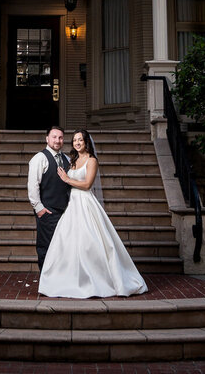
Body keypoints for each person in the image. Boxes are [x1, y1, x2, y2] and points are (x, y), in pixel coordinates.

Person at [38, 129, 147, 298]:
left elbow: (87, 184)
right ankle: (69, 280)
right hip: (72, 204)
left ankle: (97, 280)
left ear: (86, 141)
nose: (77, 143)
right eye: (74, 140)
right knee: (67, 243)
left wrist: (67, 179)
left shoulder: (91, 160)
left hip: (85, 203)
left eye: (80, 140)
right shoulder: (72, 160)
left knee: (89, 242)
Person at [27, 125, 71, 270]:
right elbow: (33, 185)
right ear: (47, 139)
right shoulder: (39, 158)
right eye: (54, 137)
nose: (57, 140)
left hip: (65, 212)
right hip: (48, 210)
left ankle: (59, 280)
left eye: (60, 137)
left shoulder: (67, 159)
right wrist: (39, 208)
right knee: (46, 247)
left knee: (64, 248)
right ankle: (45, 281)